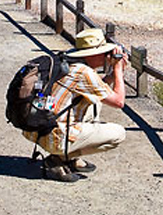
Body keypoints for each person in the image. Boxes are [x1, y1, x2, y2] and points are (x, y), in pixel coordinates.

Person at [25, 28, 127, 182]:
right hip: (54, 136)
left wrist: (111, 76)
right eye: (104, 52)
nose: (107, 56)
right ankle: (61, 157)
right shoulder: (84, 72)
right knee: (118, 134)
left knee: (96, 103)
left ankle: (65, 157)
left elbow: (98, 90)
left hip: (38, 129)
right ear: (94, 54)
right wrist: (118, 70)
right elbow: (119, 102)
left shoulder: (67, 64)